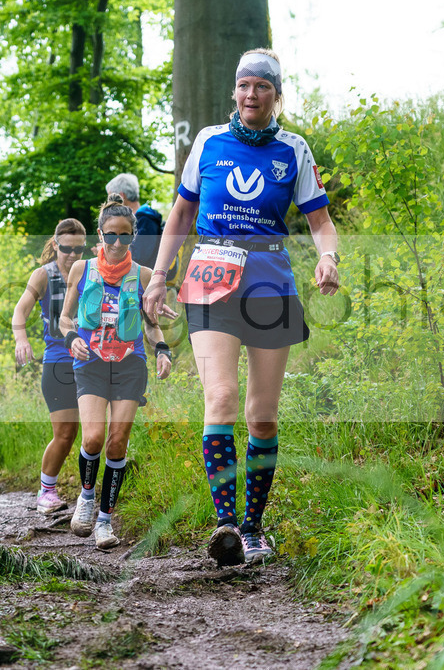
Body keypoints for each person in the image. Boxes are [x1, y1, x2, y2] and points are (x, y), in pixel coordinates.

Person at [143, 48, 340, 565]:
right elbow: (181, 214)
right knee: (222, 398)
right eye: (244, 86)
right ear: (234, 90)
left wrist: (328, 258)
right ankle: (226, 525)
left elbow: (320, 221)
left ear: (277, 95)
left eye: (263, 87)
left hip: (270, 280)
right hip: (210, 276)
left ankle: (254, 527)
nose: (252, 95)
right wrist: (159, 276)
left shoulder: (294, 149)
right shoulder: (208, 142)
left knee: (262, 417)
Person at [59, 195, 174, 549]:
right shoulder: (82, 270)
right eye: (111, 236)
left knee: (117, 442)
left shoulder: (141, 275)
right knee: (93, 438)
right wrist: (72, 338)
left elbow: (151, 326)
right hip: (91, 363)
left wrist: (163, 350)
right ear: (100, 234)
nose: (117, 243)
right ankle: (87, 497)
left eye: (125, 236)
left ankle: (105, 523)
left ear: (132, 237)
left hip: (129, 364)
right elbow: (64, 318)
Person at [12, 218, 88, 514]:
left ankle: (91, 494)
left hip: (95, 360)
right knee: (66, 433)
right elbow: (20, 311)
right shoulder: (44, 275)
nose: (72, 254)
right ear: (56, 244)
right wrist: (22, 339)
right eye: (67, 248)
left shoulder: (89, 271)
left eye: (79, 249)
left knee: (99, 432)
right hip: (58, 361)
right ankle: (47, 491)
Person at [105, 173, 163, 269]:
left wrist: (108, 252)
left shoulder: (145, 219)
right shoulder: (135, 219)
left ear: (121, 196)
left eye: (111, 198)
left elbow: (139, 257)